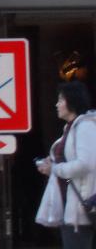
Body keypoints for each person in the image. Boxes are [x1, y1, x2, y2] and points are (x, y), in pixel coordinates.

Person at [36, 81, 96, 248]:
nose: (57, 105)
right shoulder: (71, 128)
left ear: (72, 101)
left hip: (82, 209)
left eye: (61, 100)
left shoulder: (84, 126)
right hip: (73, 207)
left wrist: (55, 169)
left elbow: (86, 164)